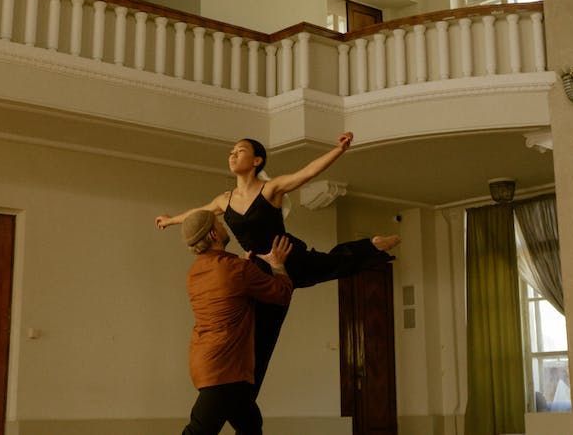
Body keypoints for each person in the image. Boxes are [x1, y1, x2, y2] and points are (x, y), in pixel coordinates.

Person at [157, 132, 400, 391]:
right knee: (260, 332)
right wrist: (171, 220)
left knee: (330, 264)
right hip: (259, 266)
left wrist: (338, 150)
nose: (233, 155)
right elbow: (198, 215)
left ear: (257, 161)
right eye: (231, 151)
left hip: (287, 255)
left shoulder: (270, 189)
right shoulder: (224, 199)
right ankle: (244, 389)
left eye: (240, 151)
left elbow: (306, 173)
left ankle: (372, 245)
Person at [180, 209, 294, 435]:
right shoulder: (237, 270)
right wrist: (278, 264)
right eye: (219, 223)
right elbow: (281, 293)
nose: (224, 225)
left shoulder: (194, 272)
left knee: (251, 425)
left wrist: (245, 267)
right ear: (213, 235)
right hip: (224, 369)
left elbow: (226, 289)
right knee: (198, 431)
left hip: (207, 363)